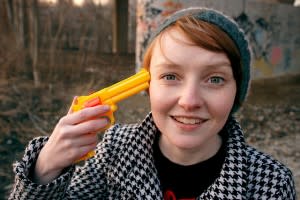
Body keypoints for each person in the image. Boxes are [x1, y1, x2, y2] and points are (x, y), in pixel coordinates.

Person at [9, 7, 296, 200]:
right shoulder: (113, 152)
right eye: (171, 76)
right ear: (148, 86)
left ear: (237, 91)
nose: (190, 101)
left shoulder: (269, 182)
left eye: (215, 79)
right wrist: (45, 170)